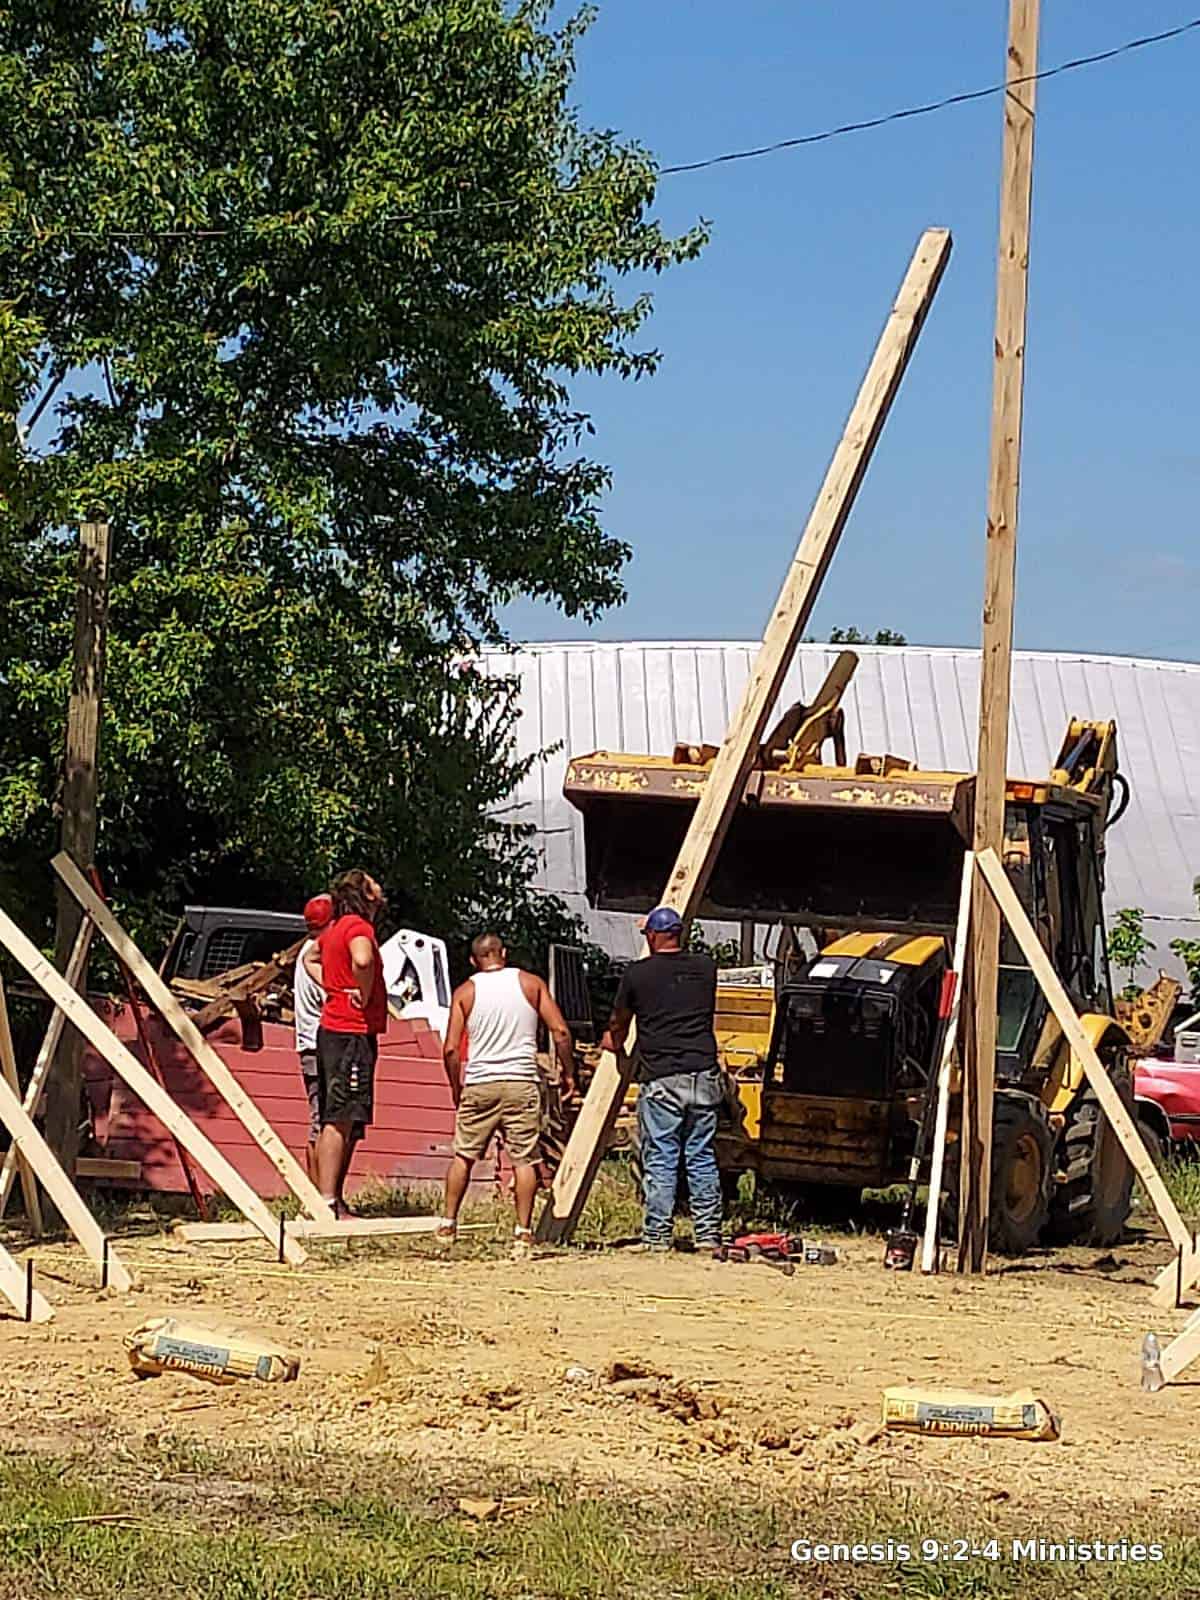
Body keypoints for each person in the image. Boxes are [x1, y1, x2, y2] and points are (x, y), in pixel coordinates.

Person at [438, 933, 574, 1260]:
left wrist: (456, 1086)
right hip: (521, 1080)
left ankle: (448, 1225)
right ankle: (523, 1234)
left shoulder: (465, 992)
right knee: (524, 1158)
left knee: (464, 1155)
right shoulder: (530, 983)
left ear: (473, 960)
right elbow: (560, 1031)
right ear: (504, 953)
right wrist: (568, 1072)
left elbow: (451, 1048)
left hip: (480, 1081)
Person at [602, 906, 723, 1253]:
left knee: (661, 1158)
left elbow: (619, 1020)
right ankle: (708, 1235)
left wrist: (614, 1042)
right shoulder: (706, 968)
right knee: (701, 1156)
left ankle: (657, 1237)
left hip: (663, 1077)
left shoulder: (638, 975)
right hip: (703, 1074)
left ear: (652, 936)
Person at [307, 869, 388, 1217]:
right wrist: (363, 993)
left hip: (335, 1032)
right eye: (373, 883)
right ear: (365, 894)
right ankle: (327, 1203)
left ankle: (332, 1199)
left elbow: (310, 958)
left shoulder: (335, 928)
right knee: (340, 1117)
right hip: (350, 1032)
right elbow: (363, 959)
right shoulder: (358, 927)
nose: (380, 887)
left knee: (343, 1115)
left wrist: (332, 985)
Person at [293, 892, 334, 1185]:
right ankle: (318, 1195)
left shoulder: (306, 952)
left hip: (311, 1044)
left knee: (321, 1119)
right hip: (319, 1046)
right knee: (323, 1123)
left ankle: (318, 1193)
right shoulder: (319, 957)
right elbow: (334, 996)